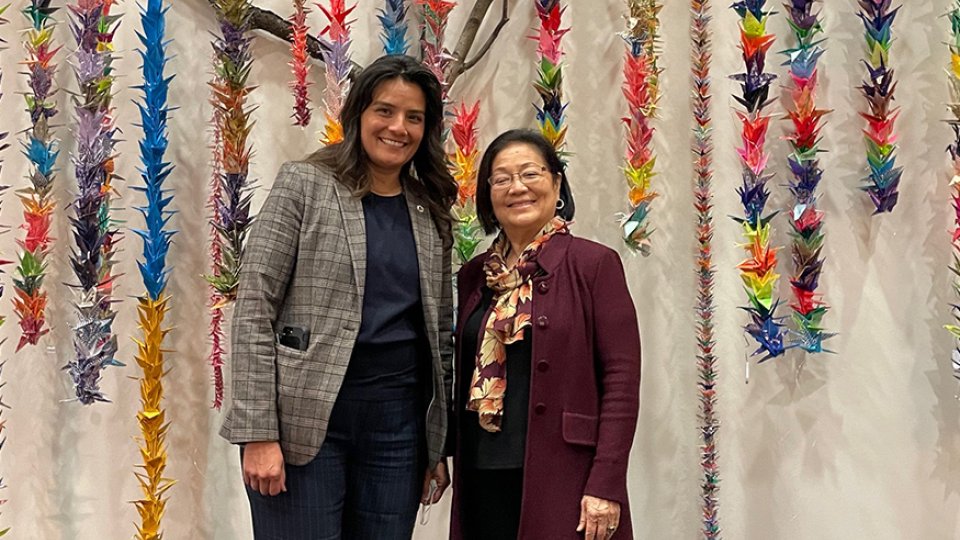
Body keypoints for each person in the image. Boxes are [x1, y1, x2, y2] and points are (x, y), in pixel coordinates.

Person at [219, 54, 456, 539]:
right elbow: (254, 310)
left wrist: (437, 446)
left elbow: (440, 333)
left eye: (415, 118)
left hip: (397, 426)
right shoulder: (305, 184)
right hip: (304, 421)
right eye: (385, 111)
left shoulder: (429, 207)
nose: (398, 127)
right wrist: (258, 432)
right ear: (358, 116)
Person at [449, 129, 641, 540]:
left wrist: (605, 483)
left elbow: (622, 380)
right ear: (488, 194)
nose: (516, 187)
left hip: (567, 475)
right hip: (482, 474)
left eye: (530, 173)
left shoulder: (593, 265)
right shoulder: (474, 276)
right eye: (501, 178)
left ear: (556, 183)